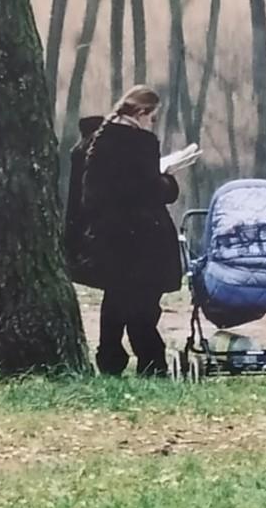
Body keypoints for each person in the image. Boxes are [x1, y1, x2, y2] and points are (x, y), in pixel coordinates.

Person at [77, 86, 195, 376]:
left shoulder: (100, 138)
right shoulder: (138, 143)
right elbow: (149, 190)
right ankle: (151, 361)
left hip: (110, 235)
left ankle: (111, 358)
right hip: (142, 237)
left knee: (117, 298)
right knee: (143, 303)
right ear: (141, 113)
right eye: (152, 118)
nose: (152, 124)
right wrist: (168, 180)